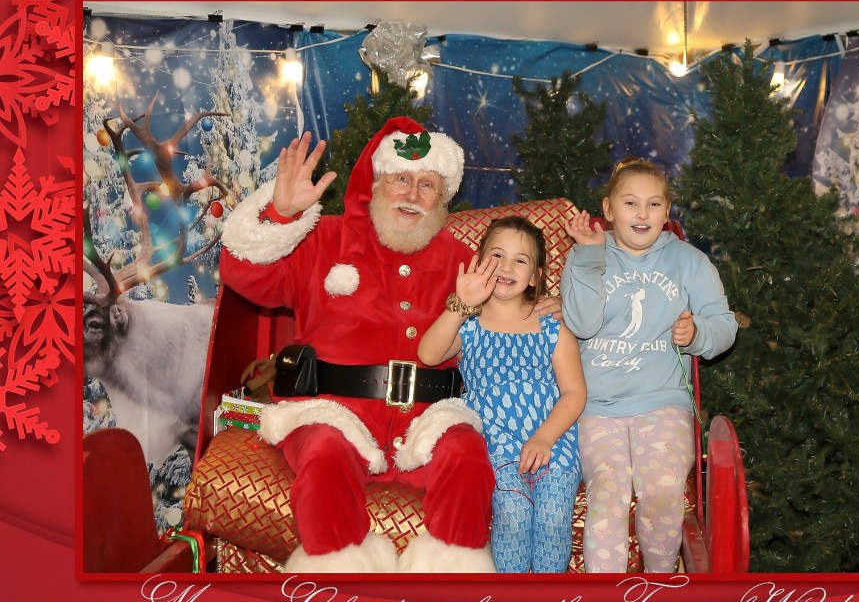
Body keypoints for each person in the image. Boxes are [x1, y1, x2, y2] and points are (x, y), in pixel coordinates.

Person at [219, 117, 560, 572]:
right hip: (333, 412)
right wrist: (281, 215)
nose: (412, 195)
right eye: (401, 179)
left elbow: (510, 304)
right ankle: (338, 589)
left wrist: (548, 305)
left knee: (467, 456)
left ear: (444, 198)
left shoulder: (463, 262)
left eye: (427, 185)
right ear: (378, 183)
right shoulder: (323, 239)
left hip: (427, 419)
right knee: (323, 458)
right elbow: (244, 277)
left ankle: (451, 592)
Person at [560, 158, 738, 573]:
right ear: (608, 209)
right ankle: (605, 601)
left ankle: (658, 586)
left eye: (654, 204)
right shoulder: (584, 255)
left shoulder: (689, 261)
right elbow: (581, 324)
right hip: (596, 408)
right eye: (630, 203)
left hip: (662, 403)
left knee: (661, 491)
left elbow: (725, 326)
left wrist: (697, 334)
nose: (642, 214)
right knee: (607, 497)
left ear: (667, 210)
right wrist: (589, 256)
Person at [418, 216, 586, 573]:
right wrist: (460, 304)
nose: (506, 267)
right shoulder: (469, 324)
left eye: (520, 260)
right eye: (496, 255)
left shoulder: (552, 328)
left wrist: (544, 438)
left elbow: (574, 393)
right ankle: (510, 598)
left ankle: (549, 600)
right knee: (513, 514)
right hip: (496, 445)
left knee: (553, 517)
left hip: (553, 441)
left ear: (535, 276)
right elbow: (428, 355)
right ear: (479, 262)